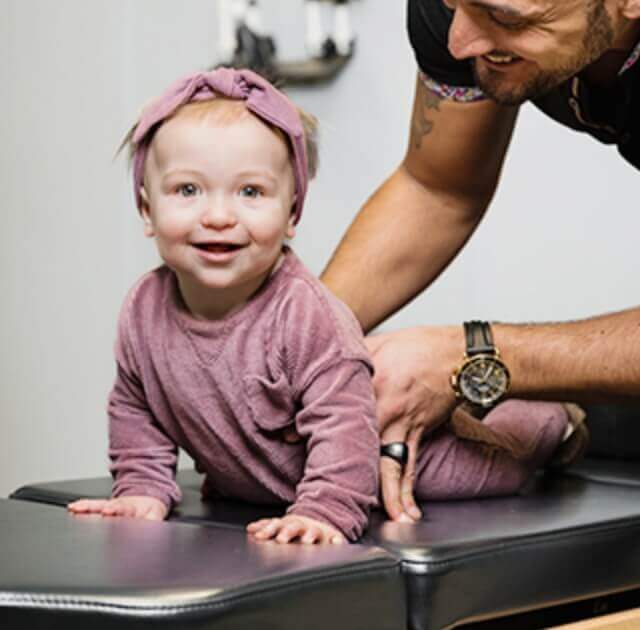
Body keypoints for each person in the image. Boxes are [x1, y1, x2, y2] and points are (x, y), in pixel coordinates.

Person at [66, 67, 580, 539]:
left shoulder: (303, 313)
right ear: (146, 207)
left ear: (292, 214)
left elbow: (342, 425)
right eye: (188, 190)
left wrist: (326, 509)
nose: (219, 215)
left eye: (250, 191)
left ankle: (555, 422)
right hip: (266, 484)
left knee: (500, 461)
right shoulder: (143, 309)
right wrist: (142, 489)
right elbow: (137, 409)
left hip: (387, 458)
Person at [321, 0, 640, 523]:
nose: (460, 43)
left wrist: (470, 356)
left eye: (508, 19)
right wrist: (297, 345)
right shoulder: (465, 17)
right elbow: (438, 188)